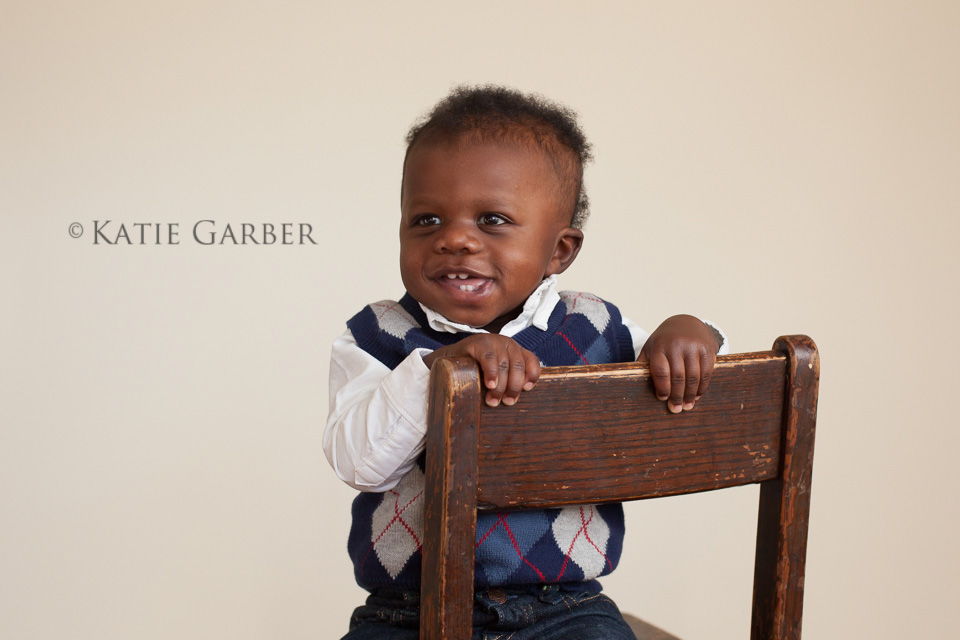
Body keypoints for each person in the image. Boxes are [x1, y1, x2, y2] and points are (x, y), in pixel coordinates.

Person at [324, 85, 729, 639]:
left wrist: (692, 331)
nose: (455, 239)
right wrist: (443, 366)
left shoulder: (594, 327)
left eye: (492, 219)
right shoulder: (377, 333)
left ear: (559, 250)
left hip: (564, 609)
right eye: (426, 220)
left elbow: (703, 396)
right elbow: (359, 464)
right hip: (405, 612)